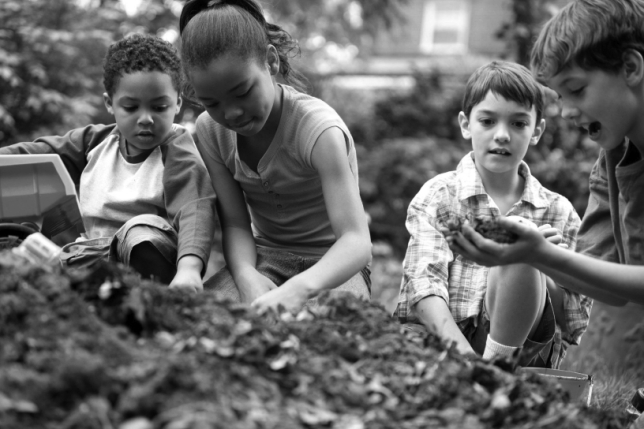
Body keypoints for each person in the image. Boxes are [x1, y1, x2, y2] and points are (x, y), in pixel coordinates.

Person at [393, 61, 592, 368]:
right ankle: (489, 375)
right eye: (487, 121)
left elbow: (572, 319)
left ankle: (495, 370)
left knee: (522, 239)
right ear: (465, 124)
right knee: (521, 240)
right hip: (442, 342)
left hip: (521, 355)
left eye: (518, 124)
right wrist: (469, 362)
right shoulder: (441, 195)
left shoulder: (558, 211)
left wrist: (544, 260)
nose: (502, 135)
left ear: (537, 130)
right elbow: (424, 287)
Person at [178, 0, 372, 313]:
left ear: (270, 61)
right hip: (263, 259)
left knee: (317, 337)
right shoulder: (210, 131)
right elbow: (237, 225)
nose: (231, 113)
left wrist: (298, 290)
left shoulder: (318, 131)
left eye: (242, 92)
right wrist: (245, 275)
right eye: (211, 103)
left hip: (333, 267)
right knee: (200, 320)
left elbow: (355, 241)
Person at [447, 0, 644, 307]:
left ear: (631, 68)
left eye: (576, 89)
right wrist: (533, 254)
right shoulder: (610, 162)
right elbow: (610, 288)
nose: (565, 112)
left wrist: (541, 254)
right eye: (560, 96)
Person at [0, 34, 216, 292]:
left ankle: (146, 297)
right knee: (23, 246)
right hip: (90, 255)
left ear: (177, 103)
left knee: (139, 230)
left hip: (147, 253)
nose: (145, 118)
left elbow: (195, 210)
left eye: (159, 107)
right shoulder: (96, 142)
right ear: (110, 104)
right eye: (131, 107)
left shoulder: (177, 152)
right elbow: (36, 152)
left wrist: (189, 269)